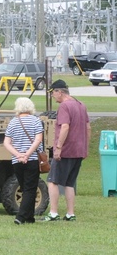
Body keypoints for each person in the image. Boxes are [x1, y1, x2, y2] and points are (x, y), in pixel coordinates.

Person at [45, 79, 90, 221]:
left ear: (60, 92)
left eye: (53, 92)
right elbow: (88, 128)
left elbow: (65, 127)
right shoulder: (81, 105)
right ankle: (70, 213)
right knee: (70, 183)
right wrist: (86, 147)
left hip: (66, 150)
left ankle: (53, 212)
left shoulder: (64, 106)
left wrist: (58, 147)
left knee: (53, 181)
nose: (52, 95)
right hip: (79, 150)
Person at [3, 97, 44, 225]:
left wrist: (18, 155)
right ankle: (20, 217)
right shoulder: (36, 121)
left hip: (17, 161)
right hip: (32, 159)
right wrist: (27, 154)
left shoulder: (13, 122)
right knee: (30, 188)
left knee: (24, 187)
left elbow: (7, 142)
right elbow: (38, 140)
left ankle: (30, 217)